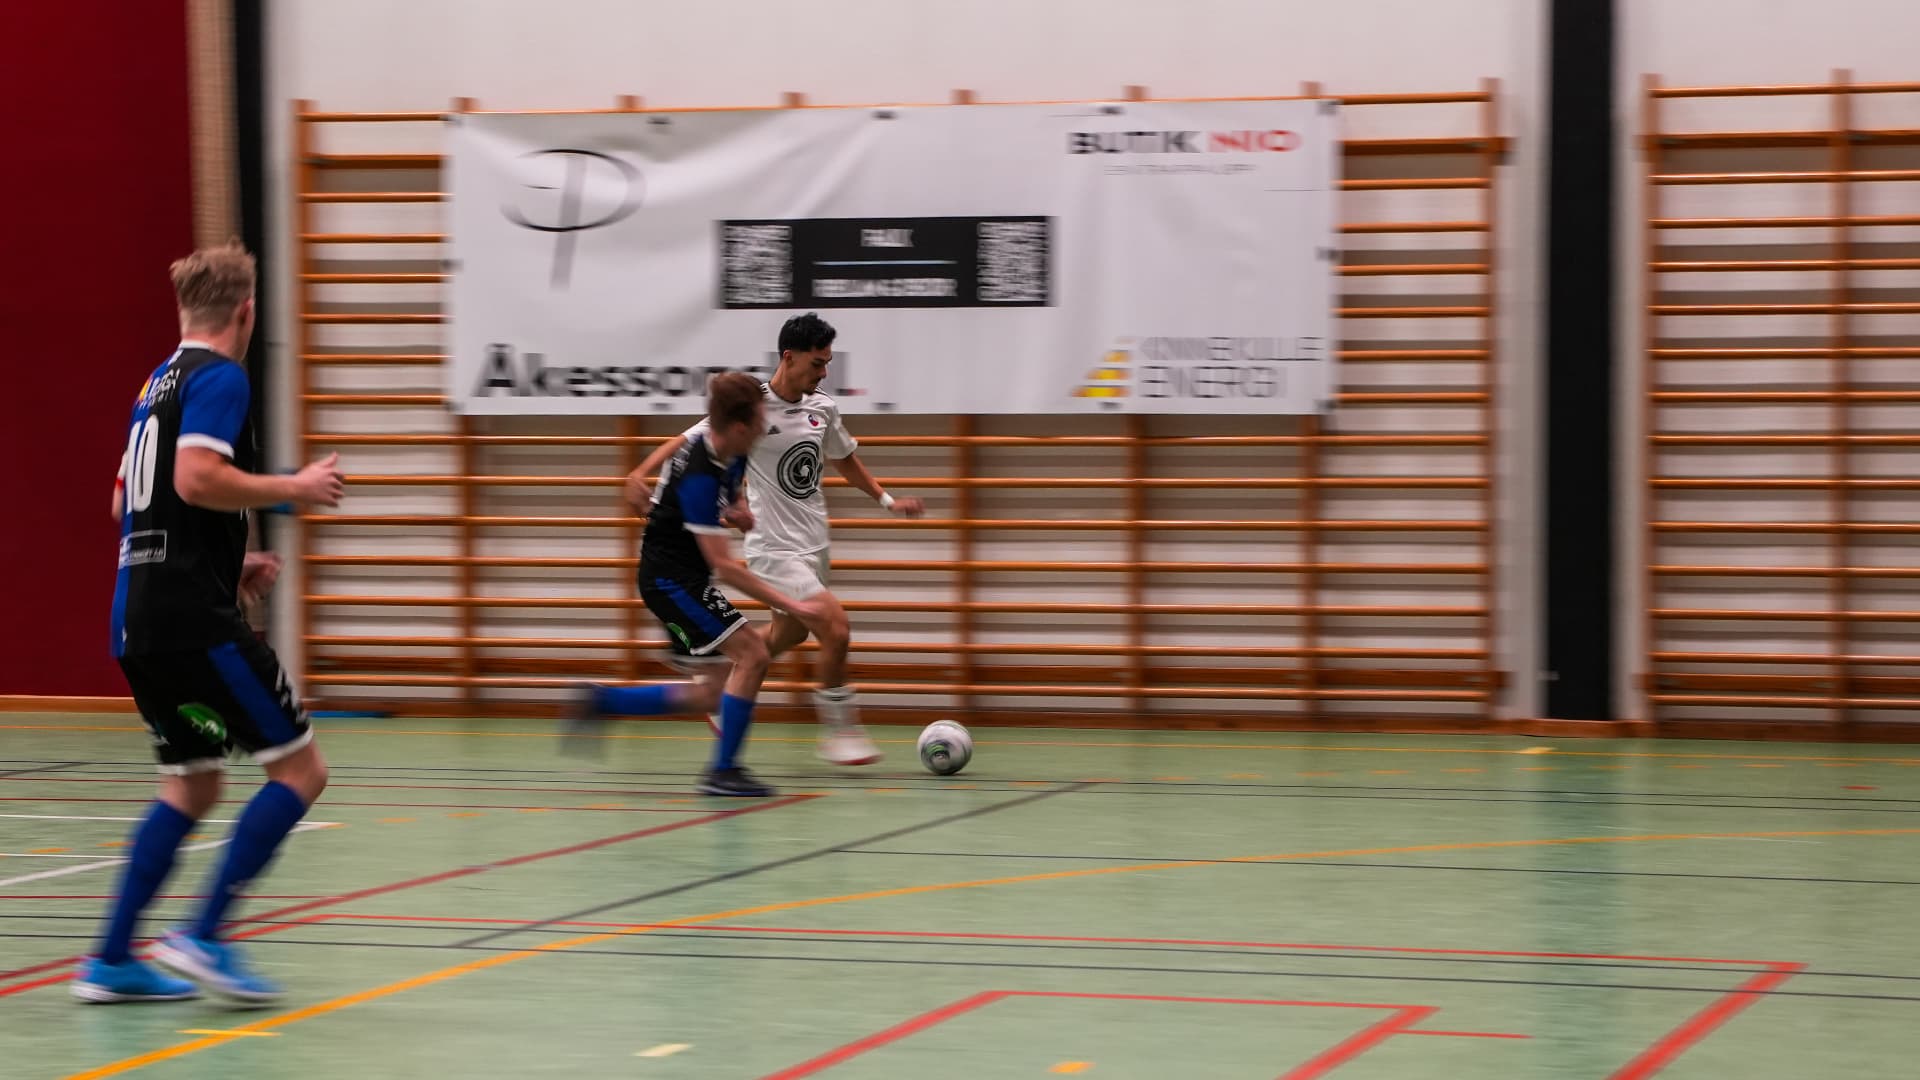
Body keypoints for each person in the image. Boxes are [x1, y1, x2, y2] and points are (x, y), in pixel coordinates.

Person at [75, 244, 345, 1005]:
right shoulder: (221, 377)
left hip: (138, 614)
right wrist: (292, 486)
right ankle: (203, 935)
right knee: (301, 770)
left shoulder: (154, 386)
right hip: (195, 619)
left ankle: (111, 960)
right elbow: (194, 477)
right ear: (247, 312)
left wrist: (232, 563)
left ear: (184, 312)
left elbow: (129, 504)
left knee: (190, 786)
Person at [629, 314, 924, 766]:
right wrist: (638, 474)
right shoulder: (752, 408)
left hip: (814, 544)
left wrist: (886, 500)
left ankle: (728, 684)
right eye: (817, 363)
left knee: (791, 631)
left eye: (827, 363)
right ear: (789, 357)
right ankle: (840, 730)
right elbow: (685, 440)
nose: (824, 371)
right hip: (771, 547)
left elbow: (844, 458)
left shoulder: (822, 407)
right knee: (836, 627)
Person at [569, 372, 833, 796]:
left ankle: (603, 702)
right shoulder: (698, 473)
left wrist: (738, 510)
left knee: (710, 693)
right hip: (671, 581)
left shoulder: (735, 448)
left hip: (682, 576)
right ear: (741, 426)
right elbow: (725, 568)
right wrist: (794, 606)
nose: (767, 421)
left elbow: (731, 494)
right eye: (761, 415)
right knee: (753, 653)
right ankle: (723, 772)